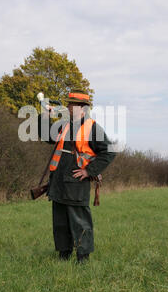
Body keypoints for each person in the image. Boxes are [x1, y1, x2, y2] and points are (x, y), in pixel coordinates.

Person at [38, 89, 115, 263]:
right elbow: (45, 136)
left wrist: (89, 171)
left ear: (83, 108)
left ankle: (83, 258)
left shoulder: (92, 127)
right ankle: (63, 255)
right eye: (69, 104)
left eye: (72, 104)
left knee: (80, 222)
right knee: (60, 222)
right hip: (58, 181)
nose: (69, 107)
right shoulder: (64, 125)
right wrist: (44, 115)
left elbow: (109, 151)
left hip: (76, 182)